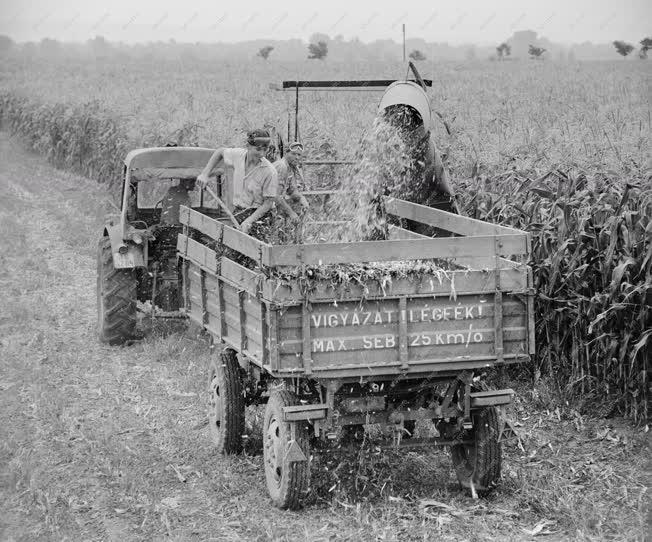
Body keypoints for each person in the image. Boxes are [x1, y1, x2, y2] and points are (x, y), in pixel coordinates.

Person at [196, 129, 279, 235]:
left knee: (255, 249)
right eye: (258, 149)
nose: (262, 154)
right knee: (228, 249)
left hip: (261, 215)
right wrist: (205, 174)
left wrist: (249, 221)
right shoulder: (238, 155)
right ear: (247, 146)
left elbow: (268, 203)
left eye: (265, 149)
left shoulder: (270, 172)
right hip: (240, 211)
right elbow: (220, 151)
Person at [272, 141, 310, 221]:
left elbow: (292, 189)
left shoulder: (290, 167)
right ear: (286, 153)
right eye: (293, 154)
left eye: (299, 155)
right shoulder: (282, 166)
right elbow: (276, 195)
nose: (297, 157)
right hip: (264, 206)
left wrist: (301, 199)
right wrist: (291, 213)